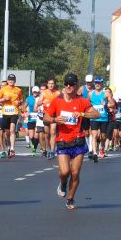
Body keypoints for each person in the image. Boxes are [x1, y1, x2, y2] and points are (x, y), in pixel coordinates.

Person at [43, 73, 99, 211]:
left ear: (76, 85)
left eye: (72, 84)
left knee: (75, 173)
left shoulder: (82, 101)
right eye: (66, 84)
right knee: (65, 172)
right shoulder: (57, 101)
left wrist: (82, 114)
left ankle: (70, 198)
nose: (69, 86)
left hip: (78, 140)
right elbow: (45, 118)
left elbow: (96, 114)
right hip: (62, 140)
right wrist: (55, 120)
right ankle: (63, 183)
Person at [0, 74, 23, 158]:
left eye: (12, 80)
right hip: (5, 113)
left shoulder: (18, 90)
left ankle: (12, 148)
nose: (11, 81)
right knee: (7, 133)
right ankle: (8, 146)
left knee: (12, 130)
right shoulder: (3, 89)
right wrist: (4, 99)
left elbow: (21, 99)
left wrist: (19, 102)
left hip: (14, 112)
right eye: (10, 80)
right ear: (7, 81)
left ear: (15, 81)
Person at [87, 77, 112, 162]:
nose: (97, 84)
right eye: (96, 83)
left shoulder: (106, 94)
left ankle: (101, 149)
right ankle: (94, 153)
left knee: (103, 136)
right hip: (94, 117)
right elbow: (87, 103)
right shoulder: (90, 93)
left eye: (99, 83)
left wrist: (106, 105)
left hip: (103, 118)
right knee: (94, 135)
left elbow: (112, 104)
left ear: (102, 84)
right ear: (94, 84)